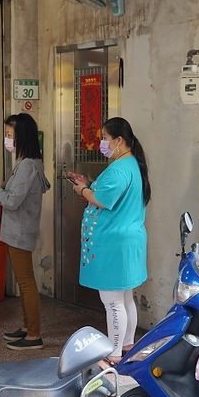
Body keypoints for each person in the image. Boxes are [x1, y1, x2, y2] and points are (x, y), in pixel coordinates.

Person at [68, 117, 150, 363]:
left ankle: (113, 354)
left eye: (104, 138)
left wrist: (82, 190)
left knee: (112, 302)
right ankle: (127, 346)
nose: (102, 143)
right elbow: (108, 192)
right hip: (128, 242)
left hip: (114, 245)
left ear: (119, 140)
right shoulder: (131, 164)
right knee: (126, 298)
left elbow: (103, 200)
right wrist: (88, 184)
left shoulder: (118, 168)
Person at [0, 113, 51, 351]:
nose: (6, 139)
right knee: (24, 282)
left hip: (19, 232)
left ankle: (33, 335)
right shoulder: (28, 163)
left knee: (26, 282)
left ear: (21, 136)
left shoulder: (27, 166)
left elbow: (12, 201)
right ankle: (26, 327)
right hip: (18, 230)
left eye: (9, 135)